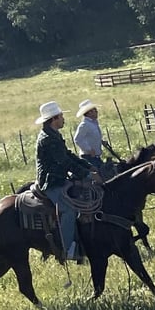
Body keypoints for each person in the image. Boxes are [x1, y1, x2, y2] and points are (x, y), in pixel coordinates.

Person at [35, 101, 101, 261]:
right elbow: (64, 162)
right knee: (68, 209)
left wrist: (88, 166)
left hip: (59, 178)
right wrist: (87, 175)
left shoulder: (53, 134)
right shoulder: (48, 139)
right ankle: (66, 249)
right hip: (50, 181)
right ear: (54, 119)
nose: (64, 119)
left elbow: (69, 155)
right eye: (61, 116)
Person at [73, 99, 104, 170]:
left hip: (95, 156)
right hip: (88, 157)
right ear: (89, 113)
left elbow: (91, 136)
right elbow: (77, 139)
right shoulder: (84, 125)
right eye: (94, 110)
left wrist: (101, 141)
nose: (96, 111)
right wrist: (89, 149)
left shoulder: (93, 123)